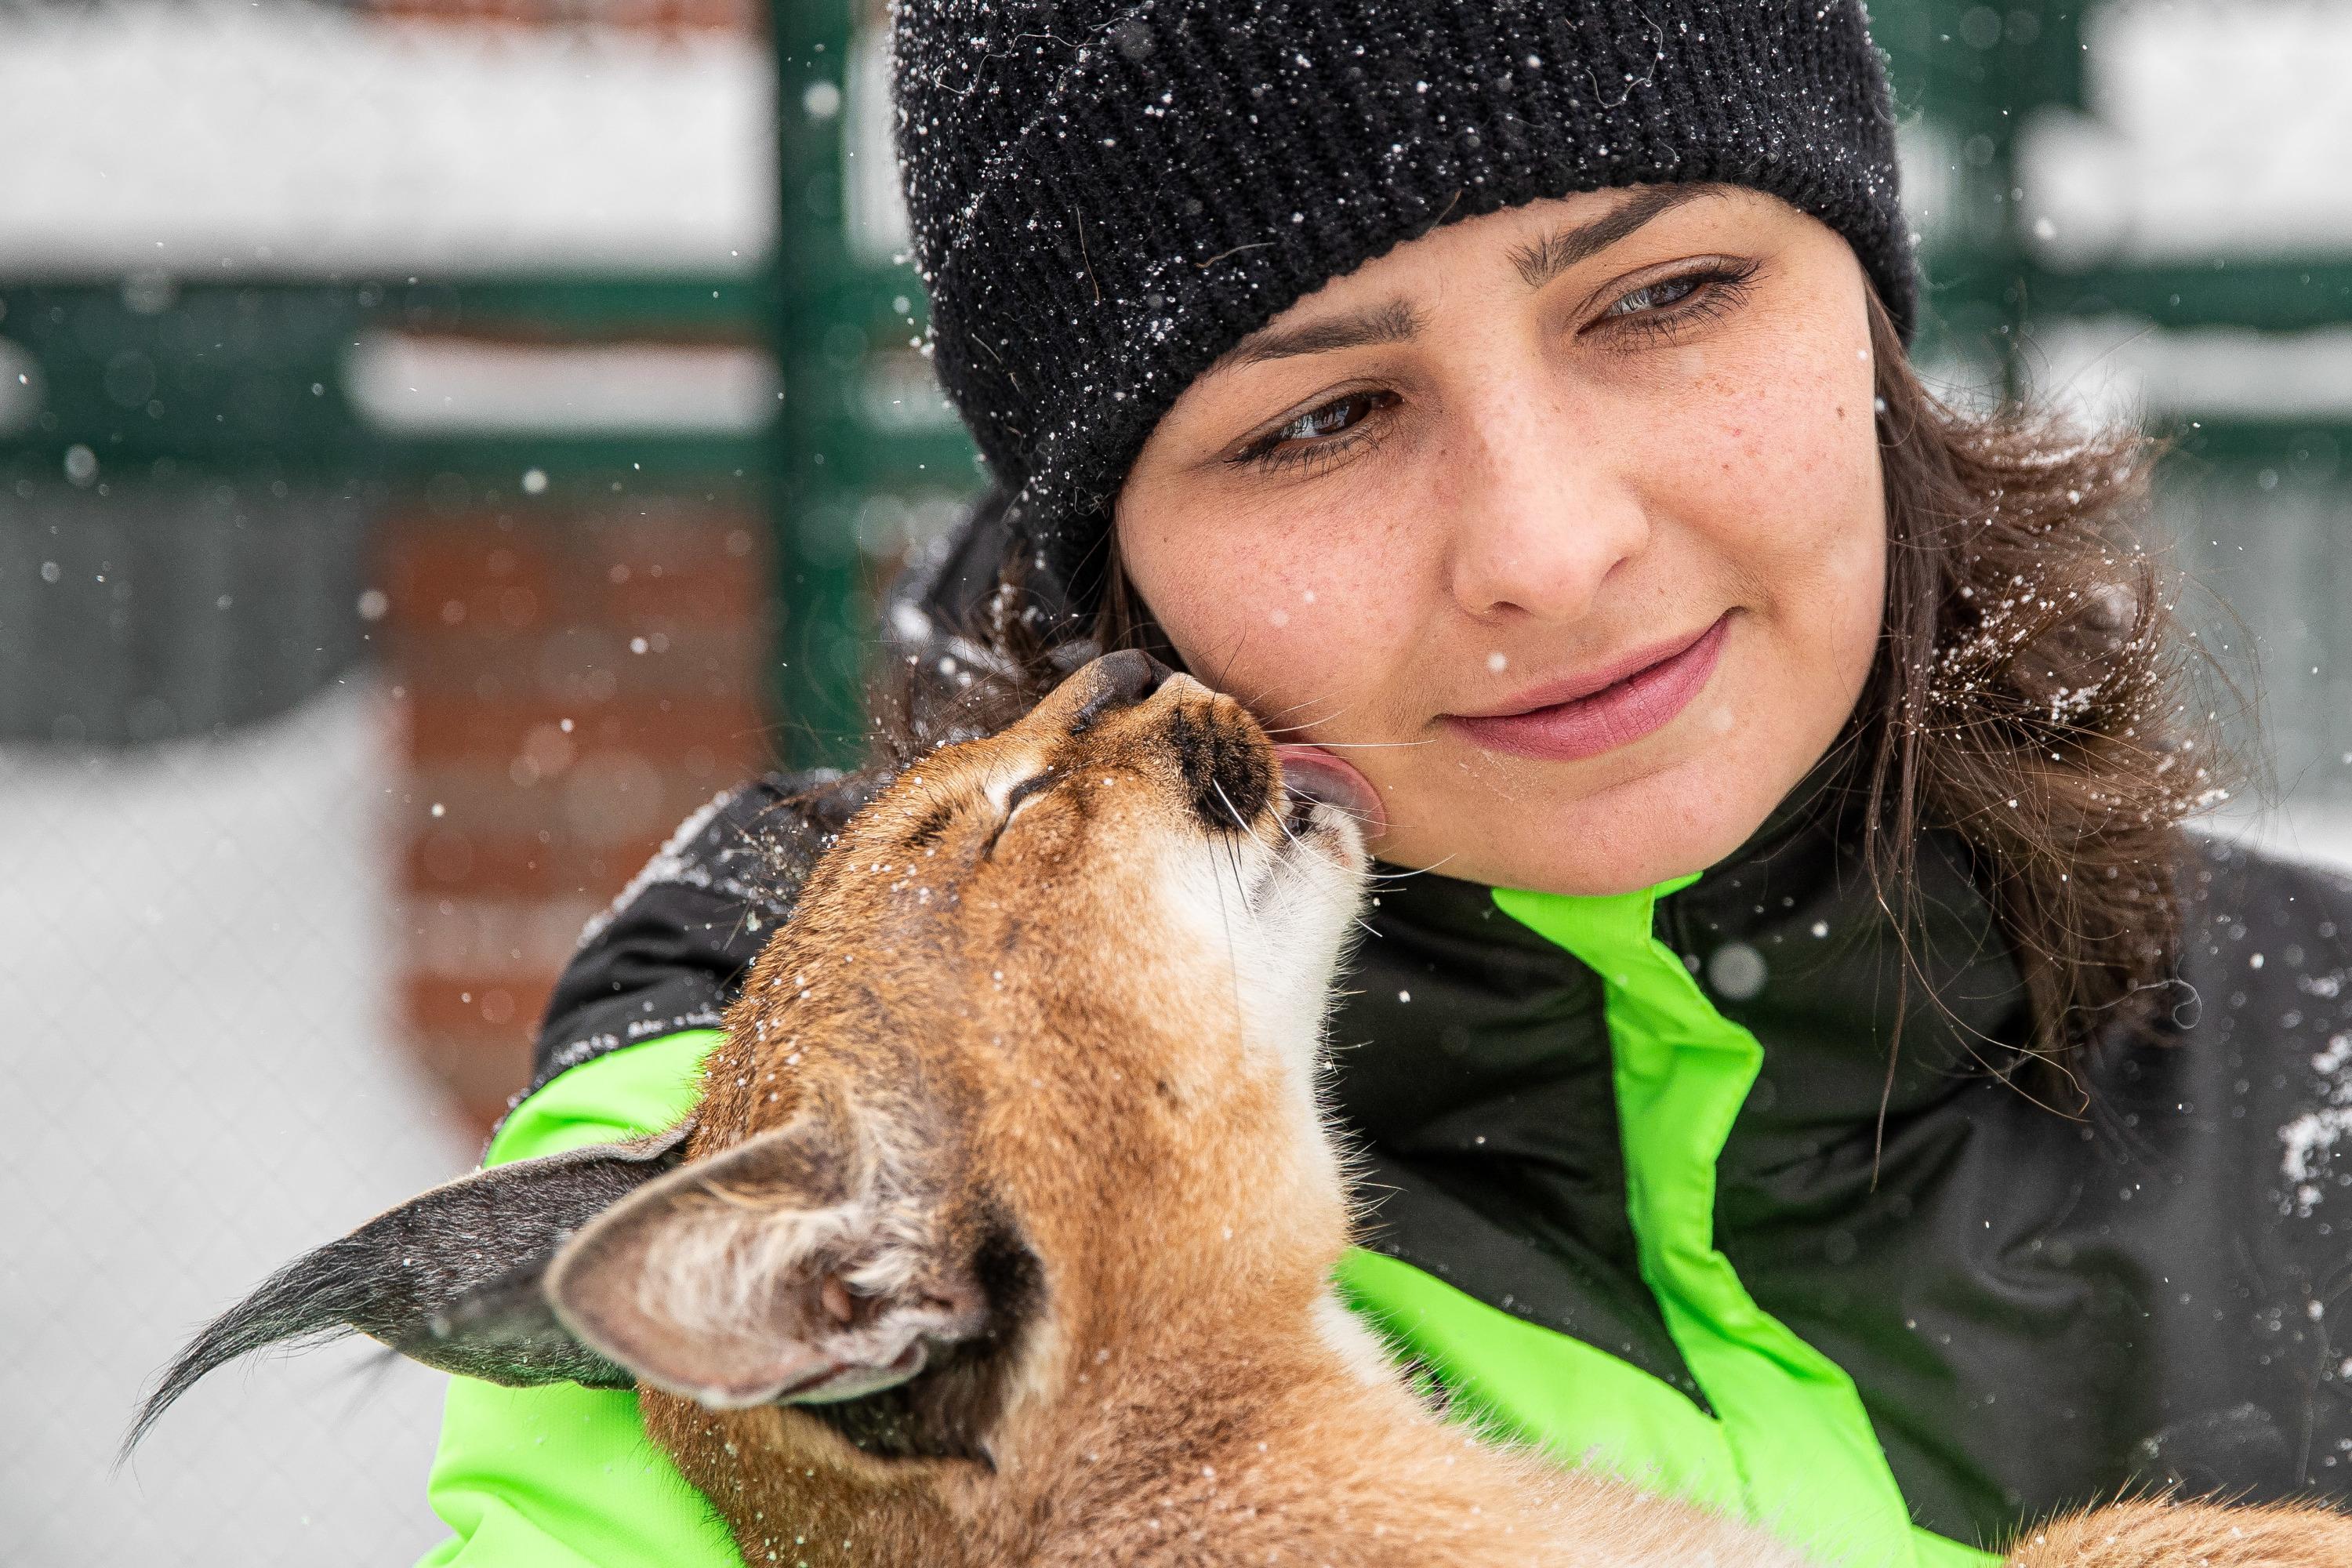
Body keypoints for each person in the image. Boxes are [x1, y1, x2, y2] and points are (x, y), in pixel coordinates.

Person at [416, 3, 2352, 1565]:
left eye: (1660, 296)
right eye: (1322, 414)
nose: (1548, 545)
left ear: (1864, 304)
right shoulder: (854, 1144)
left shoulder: (2314, 1046)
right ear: (1111, 562)